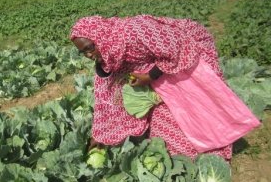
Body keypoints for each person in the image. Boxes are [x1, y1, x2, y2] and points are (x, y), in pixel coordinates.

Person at [70, 15, 232, 161]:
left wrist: (150, 76)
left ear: (99, 36)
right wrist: (100, 134)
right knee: (168, 144)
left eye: (90, 47)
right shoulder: (107, 56)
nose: (89, 55)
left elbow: (179, 45)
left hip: (187, 57)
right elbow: (106, 96)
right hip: (161, 78)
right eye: (83, 52)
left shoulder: (134, 32)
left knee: (200, 117)